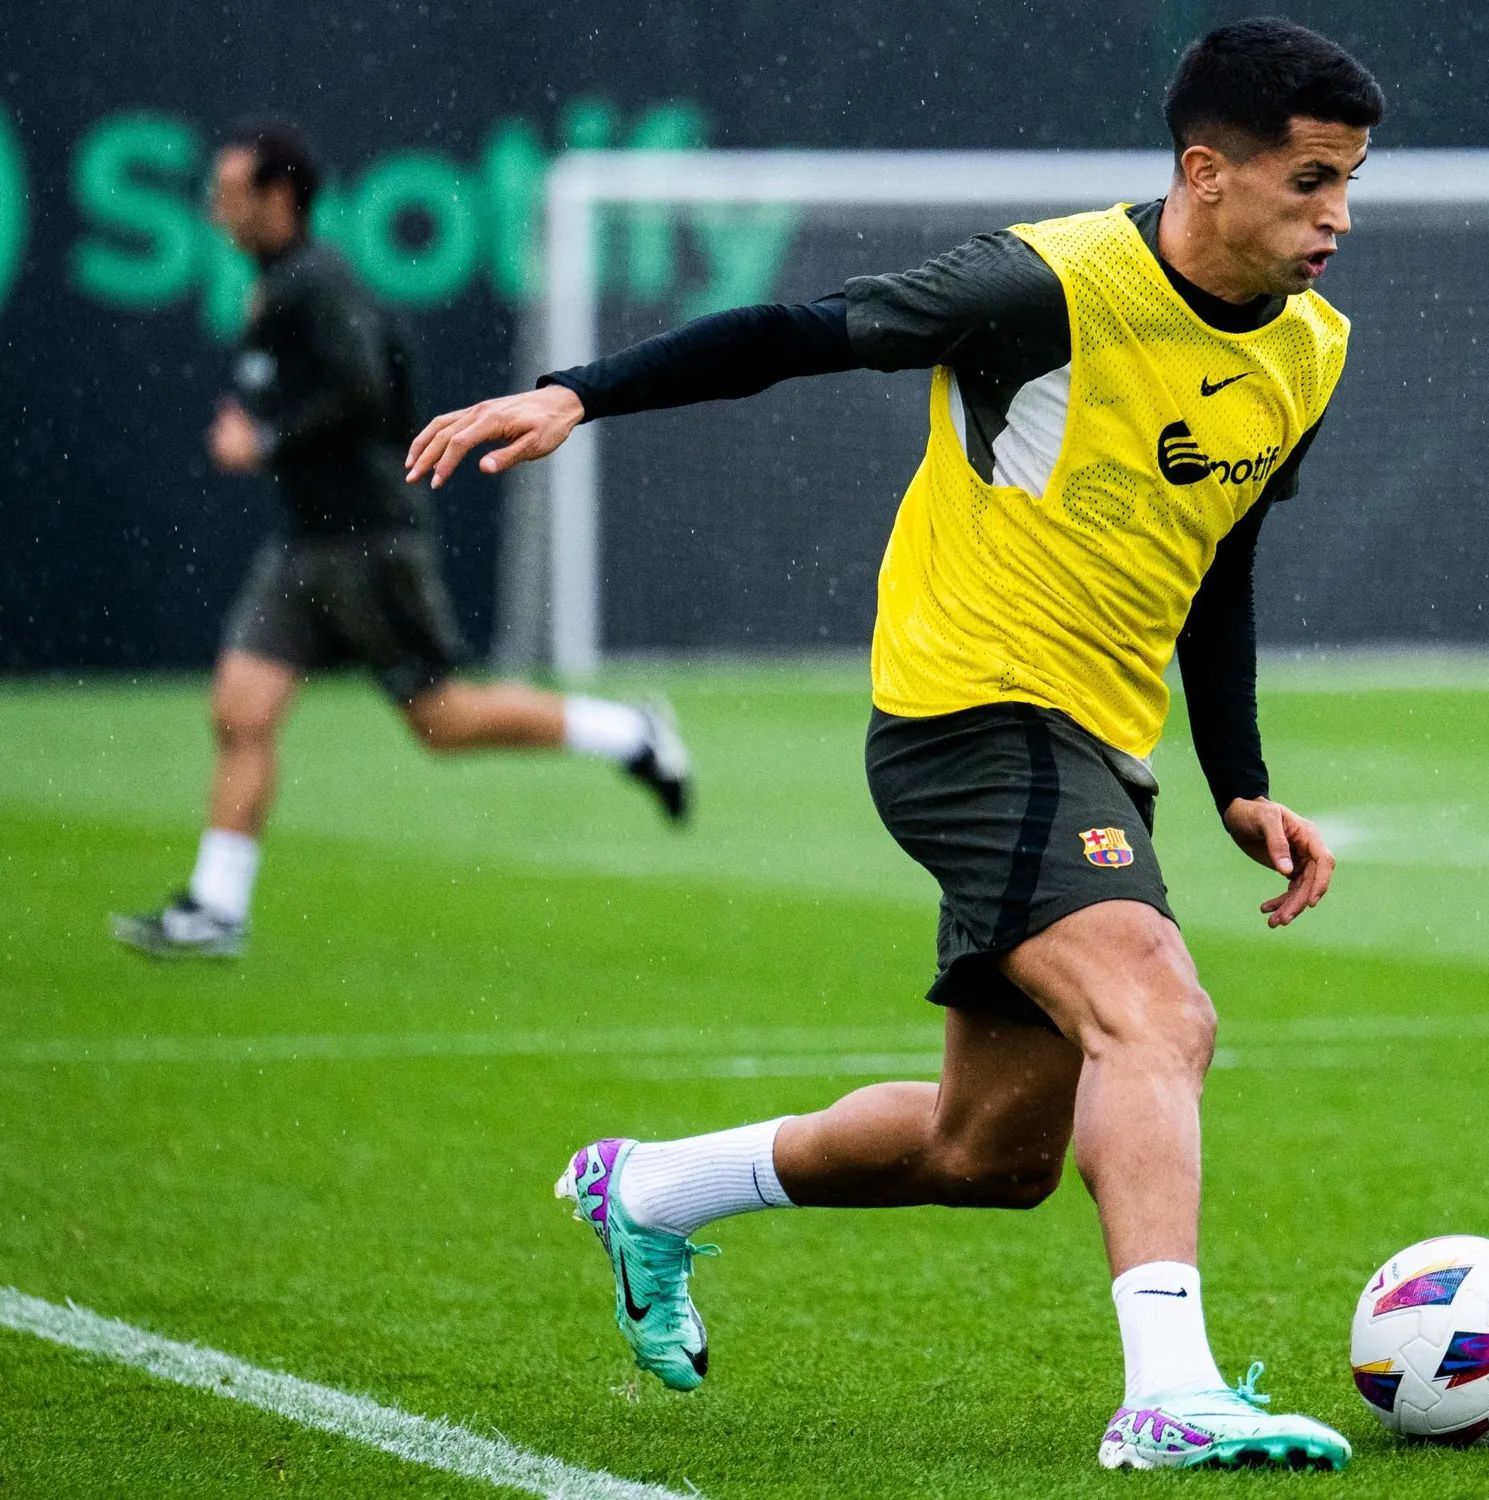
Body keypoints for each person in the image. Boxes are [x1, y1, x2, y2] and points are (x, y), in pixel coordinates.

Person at [404, 20, 1377, 1473]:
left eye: (1351, 182)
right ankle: (1167, 1390)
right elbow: (793, 336)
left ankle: (658, 1189)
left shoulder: (1310, 349)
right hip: (971, 711)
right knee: (1157, 1012)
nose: (1338, 217)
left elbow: (1218, 561)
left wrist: (1236, 779)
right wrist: (576, 392)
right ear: (1205, 171)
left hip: (1097, 747)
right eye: (1309, 181)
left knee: (989, 1156)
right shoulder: (1043, 285)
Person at [109, 121, 692, 962]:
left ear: (279, 197)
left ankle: (630, 734)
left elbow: (367, 391)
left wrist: (267, 442)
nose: (214, 210)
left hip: (367, 540)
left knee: (443, 720)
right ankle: (215, 908)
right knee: (241, 710)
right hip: (306, 540)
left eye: (230, 193)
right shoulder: (278, 284)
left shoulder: (319, 283)